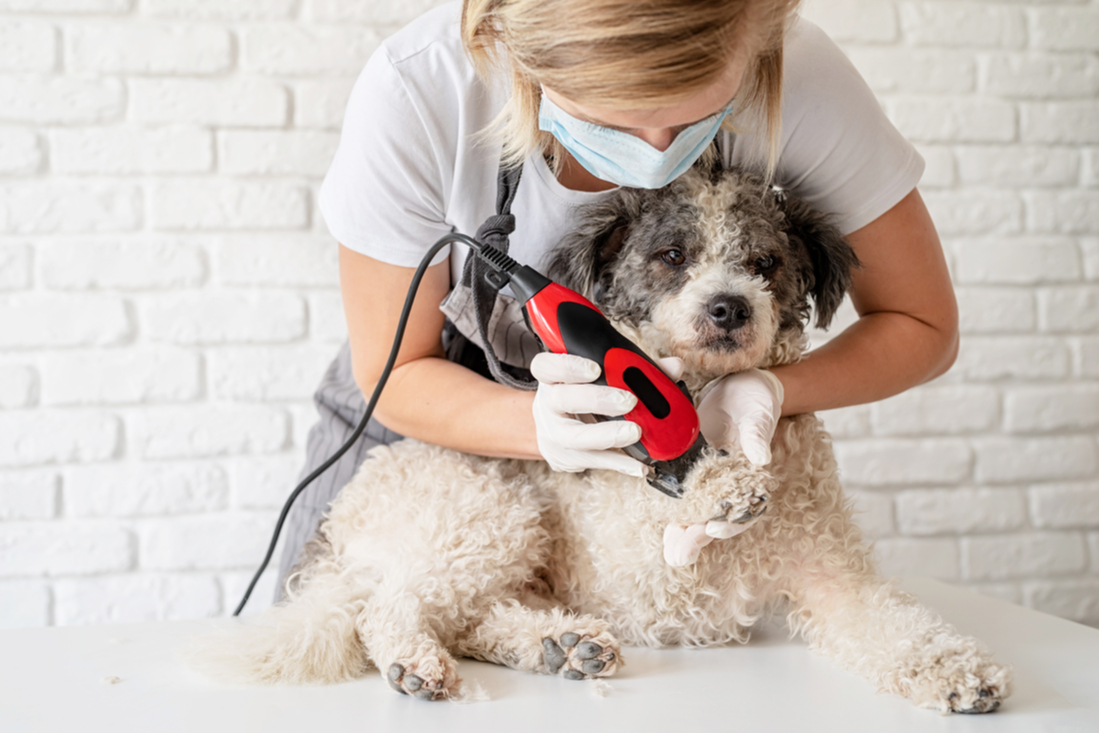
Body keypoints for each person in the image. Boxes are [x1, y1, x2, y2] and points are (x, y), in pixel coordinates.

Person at [274, 0, 958, 594]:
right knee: (340, 637)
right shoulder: (419, 93)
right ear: (512, 53)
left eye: (697, 115)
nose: (658, 147)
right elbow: (393, 370)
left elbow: (921, 322)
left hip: (674, 432)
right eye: (614, 119)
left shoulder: (799, 76)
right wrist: (540, 428)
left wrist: (767, 390)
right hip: (424, 417)